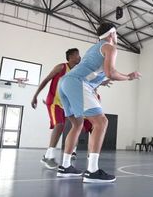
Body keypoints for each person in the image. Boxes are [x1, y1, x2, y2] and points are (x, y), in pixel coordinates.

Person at [57, 23, 141, 183]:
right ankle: (92, 171)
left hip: (65, 83)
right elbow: (111, 72)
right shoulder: (110, 48)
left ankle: (65, 166)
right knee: (101, 122)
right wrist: (129, 76)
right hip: (77, 83)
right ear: (111, 34)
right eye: (116, 34)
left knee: (77, 125)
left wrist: (100, 82)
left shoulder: (95, 48)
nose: (117, 37)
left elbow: (92, 72)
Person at [31, 48, 87, 169]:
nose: (79, 57)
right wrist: (35, 95)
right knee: (60, 125)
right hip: (54, 101)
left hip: (66, 104)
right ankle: (48, 156)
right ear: (71, 57)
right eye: (77, 55)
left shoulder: (77, 72)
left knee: (78, 125)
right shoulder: (61, 67)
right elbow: (46, 80)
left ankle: (71, 151)